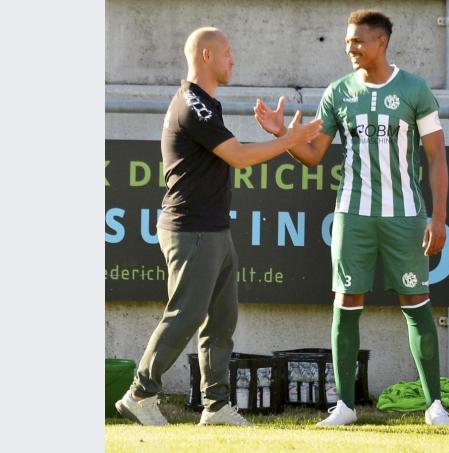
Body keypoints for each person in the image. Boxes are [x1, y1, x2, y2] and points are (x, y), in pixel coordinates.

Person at [114, 27, 322, 426]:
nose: (233, 60)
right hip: (190, 229)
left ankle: (216, 406)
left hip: (213, 229)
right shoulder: (194, 104)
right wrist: (288, 138)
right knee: (185, 314)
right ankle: (141, 393)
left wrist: (281, 134)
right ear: (207, 56)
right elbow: (238, 156)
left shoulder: (207, 103)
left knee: (221, 320)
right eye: (227, 53)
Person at [254, 9, 449, 427]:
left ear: (382, 42)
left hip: (405, 217)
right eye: (347, 41)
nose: (351, 48)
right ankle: (344, 405)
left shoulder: (415, 89)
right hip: (353, 216)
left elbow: (436, 157)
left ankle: (434, 404)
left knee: (417, 304)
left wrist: (438, 217)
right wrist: (282, 135)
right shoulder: (339, 92)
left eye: (358, 41)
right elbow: (313, 155)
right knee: (346, 304)